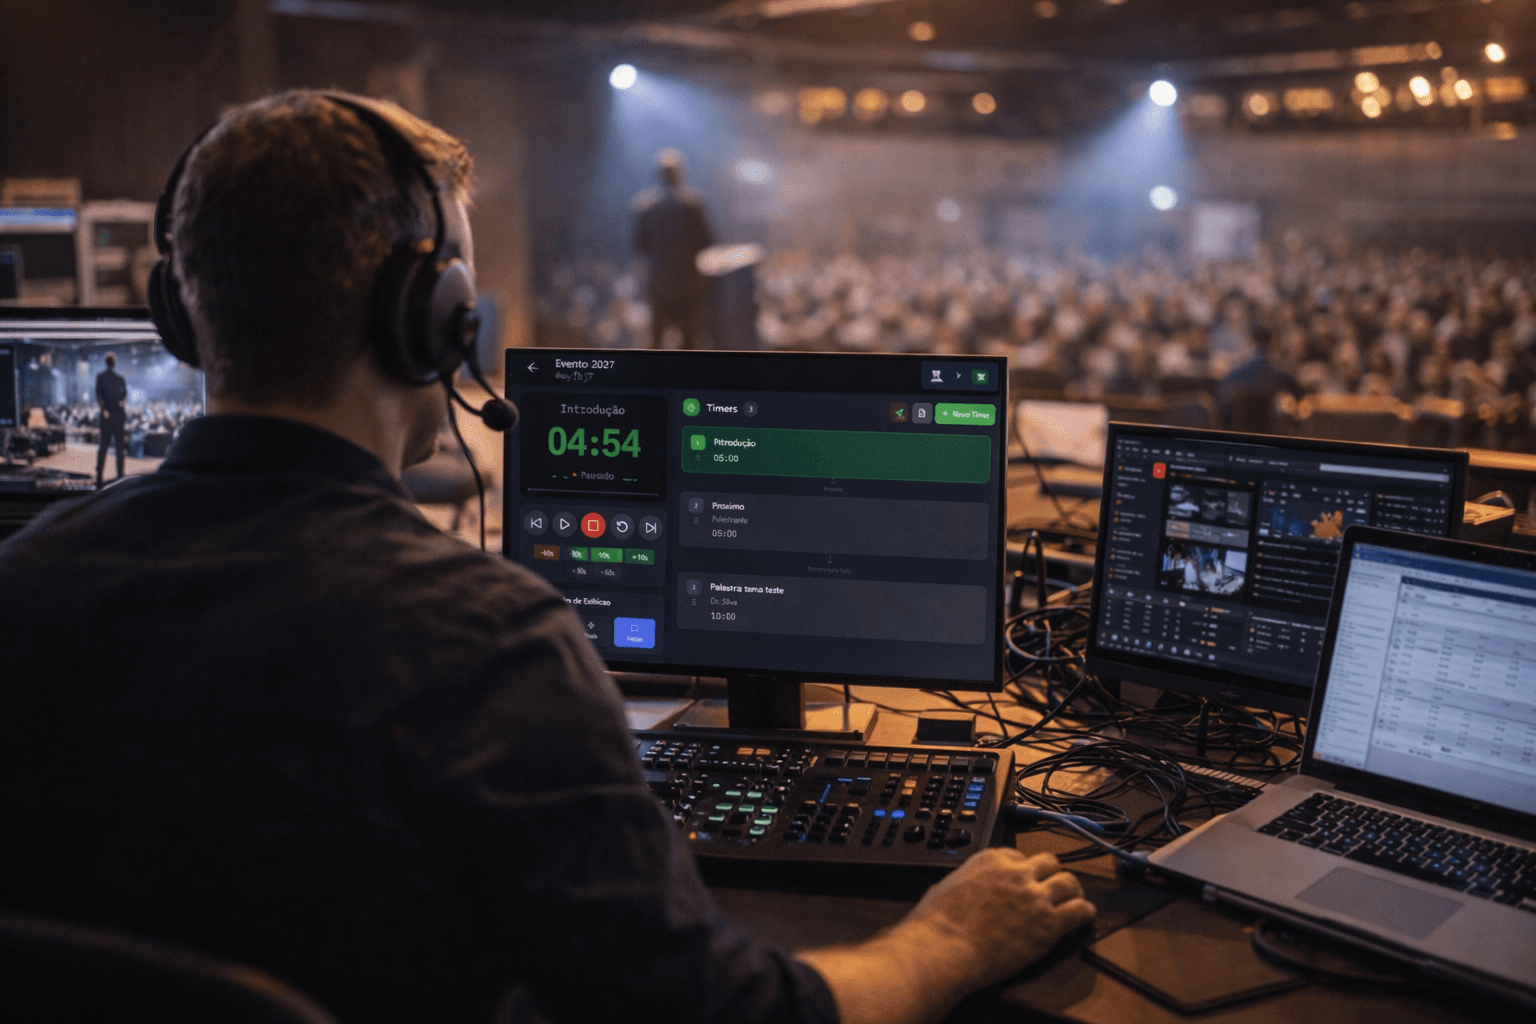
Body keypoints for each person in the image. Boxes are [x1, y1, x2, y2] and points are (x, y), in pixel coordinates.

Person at [0, 91, 1093, 1024]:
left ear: (182, 317)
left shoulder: (26, 584)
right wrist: (946, 938)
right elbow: (719, 1014)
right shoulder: (487, 640)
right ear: (426, 321)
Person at [634, 148, 714, 349]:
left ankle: (654, 379)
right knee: (689, 343)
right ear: (681, 174)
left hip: (659, 285)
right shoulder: (693, 205)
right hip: (687, 285)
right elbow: (707, 241)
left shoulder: (646, 207)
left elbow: (640, 245)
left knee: (657, 342)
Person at [95, 350, 127, 485]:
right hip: (117, 416)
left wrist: (104, 410)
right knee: (117, 448)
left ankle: (100, 476)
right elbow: (124, 395)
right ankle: (119, 476)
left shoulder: (101, 377)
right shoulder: (120, 378)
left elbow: (98, 395)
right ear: (114, 363)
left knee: (104, 447)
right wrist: (120, 403)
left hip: (108, 416)